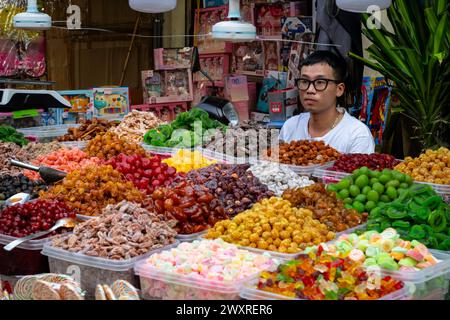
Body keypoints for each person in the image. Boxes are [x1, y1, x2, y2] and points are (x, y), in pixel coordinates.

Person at [279, 50, 375, 154]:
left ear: (339, 89)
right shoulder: (290, 126)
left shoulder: (357, 135)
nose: (310, 90)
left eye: (320, 82)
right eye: (305, 81)